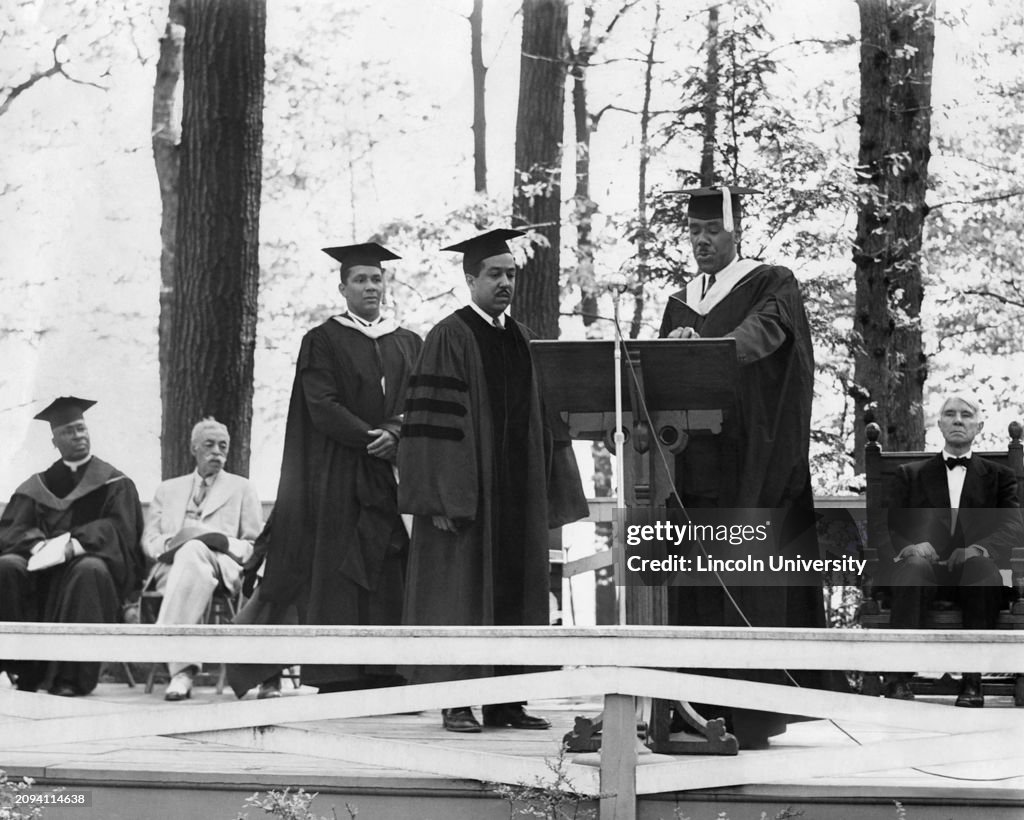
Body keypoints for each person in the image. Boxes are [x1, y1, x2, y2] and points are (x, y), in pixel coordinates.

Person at [398, 229, 587, 733]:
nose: (505, 283)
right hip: (465, 501)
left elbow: (546, 420)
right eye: (494, 274)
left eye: (511, 274)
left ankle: (508, 700)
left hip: (517, 497)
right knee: (459, 597)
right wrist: (438, 495)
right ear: (470, 279)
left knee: (517, 595)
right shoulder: (449, 335)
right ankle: (457, 700)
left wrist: (551, 491)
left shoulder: (523, 338)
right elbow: (430, 425)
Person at [658, 186, 824, 749]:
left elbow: (767, 336)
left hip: (752, 466)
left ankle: (750, 714)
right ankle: (685, 708)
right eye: (694, 233)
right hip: (692, 468)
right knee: (694, 583)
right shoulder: (681, 301)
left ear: (735, 233)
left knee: (747, 581)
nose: (702, 241)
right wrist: (672, 351)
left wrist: (707, 347)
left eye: (712, 231)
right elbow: (653, 375)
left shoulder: (770, 281)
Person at [228, 241, 422, 697]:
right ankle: (338, 675)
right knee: (339, 569)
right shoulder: (322, 340)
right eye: (360, 279)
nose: (370, 286)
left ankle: (389, 676)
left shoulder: (409, 342)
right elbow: (321, 404)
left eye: (376, 278)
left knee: (389, 569)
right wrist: (369, 437)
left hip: (392, 476)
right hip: (339, 476)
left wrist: (395, 431)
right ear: (343, 288)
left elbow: (419, 403)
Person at [0, 397, 144, 696]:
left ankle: (72, 677)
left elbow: (121, 530)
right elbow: (13, 529)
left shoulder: (114, 482)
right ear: (55, 441)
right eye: (69, 431)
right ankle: (20, 668)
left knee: (89, 570)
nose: (79, 436)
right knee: (7, 566)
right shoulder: (36, 486)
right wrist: (37, 546)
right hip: (39, 572)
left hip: (87, 566)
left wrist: (76, 544)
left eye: (81, 429)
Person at [884, 395, 1022, 707]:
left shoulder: (1000, 477)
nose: (958, 420)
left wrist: (979, 549)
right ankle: (898, 679)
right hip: (926, 572)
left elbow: (1013, 526)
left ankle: (973, 681)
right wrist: (910, 546)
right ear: (939, 424)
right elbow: (889, 526)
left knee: (981, 569)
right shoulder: (911, 474)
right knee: (912, 567)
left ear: (979, 425)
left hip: (975, 576)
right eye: (950, 414)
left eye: (966, 414)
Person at [142, 418, 263, 701]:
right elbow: (150, 541)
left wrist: (220, 541)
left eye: (223, 446)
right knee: (189, 551)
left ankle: (180, 668)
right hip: (170, 568)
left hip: (223, 567)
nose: (217, 452)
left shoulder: (242, 488)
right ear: (194, 448)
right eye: (209, 445)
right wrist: (176, 542)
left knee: (195, 549)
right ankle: (179, 666)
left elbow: (255, 546)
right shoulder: (167, 490)